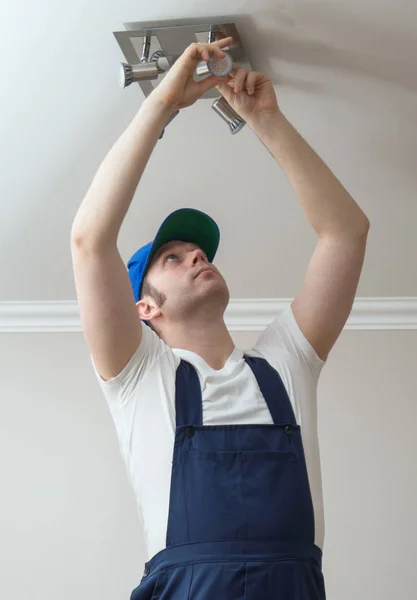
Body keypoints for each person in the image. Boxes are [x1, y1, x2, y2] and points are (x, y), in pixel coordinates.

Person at [71, 34, 370, 599]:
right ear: (145, 307)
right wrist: (162, 102)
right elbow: (90, 240)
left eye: (200, 252)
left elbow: (346, 235)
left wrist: (266, 121)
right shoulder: (137, 377)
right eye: (173, 258)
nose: (198, 257)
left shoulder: (287, 363)